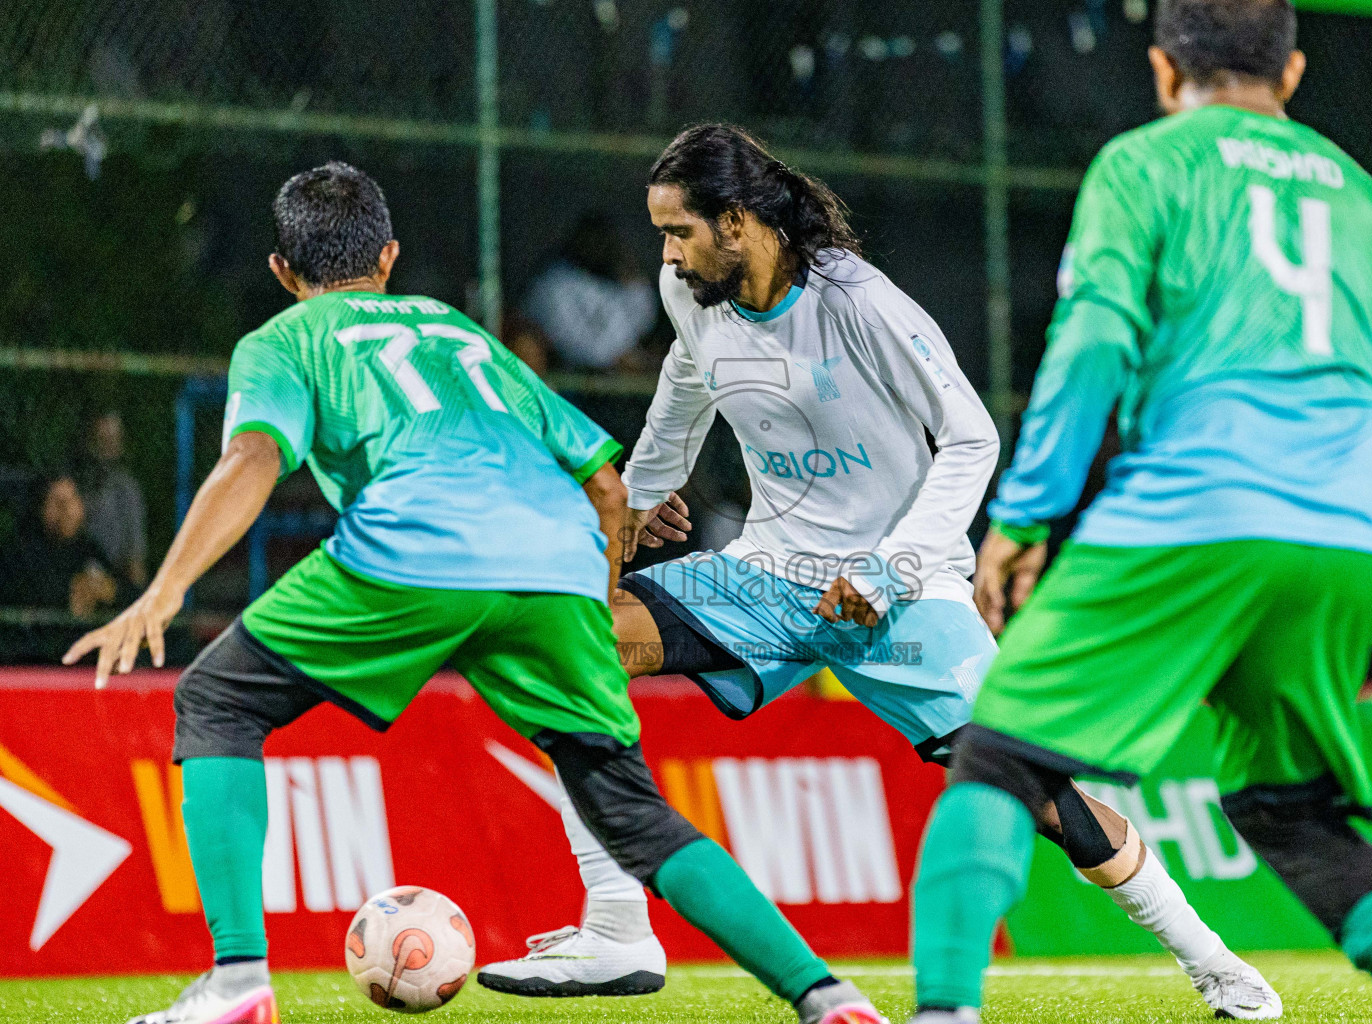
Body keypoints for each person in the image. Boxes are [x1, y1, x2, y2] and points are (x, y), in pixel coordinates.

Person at [478, 124, 1281, 1020]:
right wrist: (638, 495)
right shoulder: (688, 291)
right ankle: (620, 927)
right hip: (768, 576)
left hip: (906, 593)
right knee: (567, 645)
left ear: (737, 222)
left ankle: (1219, 968)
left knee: (1050, 804)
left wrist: (891, 567)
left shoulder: (860, 302)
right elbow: (688, 380)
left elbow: (974, 437)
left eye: (681, 231)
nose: (665, 253)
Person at [66, 161, 883, 1024]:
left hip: (412, 549)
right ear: (387, 257)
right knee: (631, 811)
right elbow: (607, 485)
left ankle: (237, 983)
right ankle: (828, 998)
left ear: (280, 272)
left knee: (218, 701)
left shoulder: (284, 341)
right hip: (557, 566)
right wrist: (594, 596)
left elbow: (253, 458)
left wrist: (163, 592)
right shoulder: (459, 332)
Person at [904, 2, 1372, 1023]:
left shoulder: (1144, 164)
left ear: (1166, 71)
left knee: (1001, 756)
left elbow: (1094, 341)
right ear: (1293, 74)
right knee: (1290, 808)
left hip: (1194, 509)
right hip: (1346, 540)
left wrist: (1028, 514)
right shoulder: (1369, 205)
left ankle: (945, 1010)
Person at [522, 211, 660, 373]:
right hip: (566, 378)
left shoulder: (615, 282)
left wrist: (632, 282)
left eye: (605, 241)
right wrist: (618, 356)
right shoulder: (553, 283)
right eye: (592, 240)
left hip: (616, 378)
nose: (599, 247)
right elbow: (572, 343)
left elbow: (642, 324)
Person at [0, 472, 118, 618]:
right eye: (55, 501)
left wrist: (111, 590)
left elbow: (130, 592)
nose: (66, 509)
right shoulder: (19, 552)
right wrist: (69, 591)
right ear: (39, 508)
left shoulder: (88, 548)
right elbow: (22, 592)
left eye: (71, 499)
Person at [79, 410, 149, 588]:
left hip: (114, 579)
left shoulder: (126, 489)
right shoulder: (75, 484)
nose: (107, 448)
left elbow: (135, 556)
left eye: (113, 440)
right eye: (101, 440)